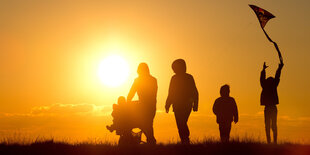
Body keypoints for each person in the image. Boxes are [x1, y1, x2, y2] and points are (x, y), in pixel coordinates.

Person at [165, 59, 199, 144]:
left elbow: (194, 91)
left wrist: (196, 104)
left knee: (182, 122)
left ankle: (185, 139)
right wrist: (167, 104)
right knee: (180, 123)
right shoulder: (174, 78)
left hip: (187, 105)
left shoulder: (189, 77)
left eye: (174, 68)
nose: (173, 70)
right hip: (177, 105)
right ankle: (184, 140)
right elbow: (171, 92)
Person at [127, 63, 158, 144]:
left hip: (146, 106)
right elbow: (132, 93)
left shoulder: (138, 80)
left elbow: (131, 93)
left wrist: (127, 102)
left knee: (146, 124)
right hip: (150, 106)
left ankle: (151, 141)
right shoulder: (153, 80)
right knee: (147, 124)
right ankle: (151, 141)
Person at [260, 62, 284, 144]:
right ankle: (273, 141)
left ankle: (271, 141)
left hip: (269, 108)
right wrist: (279, 68)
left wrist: (263, 70)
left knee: (269, 125)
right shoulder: (273, 85)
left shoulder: (265, 85)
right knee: (272, 125)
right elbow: (277, 76)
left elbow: (262, 79)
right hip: (272, 108)